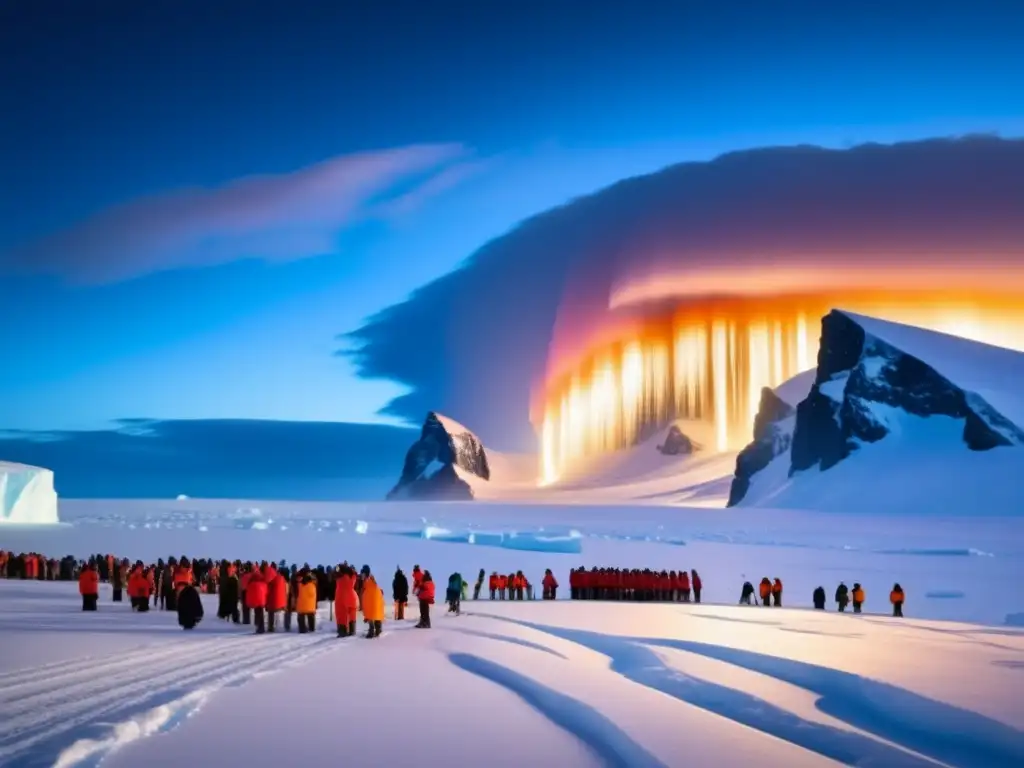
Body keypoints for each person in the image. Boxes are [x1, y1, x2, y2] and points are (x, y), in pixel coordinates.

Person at [334, 565, 358, 638]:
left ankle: (342, 632)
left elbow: (335, 574)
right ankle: (352, 631)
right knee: (352, 616)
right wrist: (352, 571)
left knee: (341, 615)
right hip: (352, 598)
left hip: (341, 598)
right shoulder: (352, 578)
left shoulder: (339, 579)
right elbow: (354, 575)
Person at [361, 565, 384, 638]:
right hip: (376, 599)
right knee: (374, 614)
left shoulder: (369, 580)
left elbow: (373, 588)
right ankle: (377, 629)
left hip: (374, 600)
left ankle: (372, 631)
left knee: (372, 614)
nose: (362, 575)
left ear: (366, 573)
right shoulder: (368, 580)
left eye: (363, 573)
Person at [296, 568, 318, 633]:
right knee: (311, 616)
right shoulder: (313, 582)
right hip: (311, 604)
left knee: (301, 617)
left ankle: (302, 629)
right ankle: (311, 629)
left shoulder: (299, 583)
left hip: (301, 604)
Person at [246, 568, 268, 634]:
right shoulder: (263, 581)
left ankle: (258, 627)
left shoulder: (251, 581)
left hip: (255, 600)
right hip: (261, 600)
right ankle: (262, 628)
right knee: (261, 614)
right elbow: (266, 591)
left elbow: (248, 589)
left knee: (257, 614)